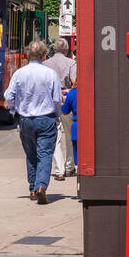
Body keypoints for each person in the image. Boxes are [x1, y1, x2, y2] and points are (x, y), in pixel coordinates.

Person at [4, 39, 61, 204]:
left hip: (26, 119)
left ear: (28, 55)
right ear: (44, 55)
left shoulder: (20, 73)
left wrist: (14, 109)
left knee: (31, 155)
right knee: (45, 154)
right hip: (46, 118)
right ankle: (41, 186)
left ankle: (32, 189)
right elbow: (57, 99)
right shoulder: (50, 74)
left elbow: (9, 96)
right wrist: (57, 114)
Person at [43, 38, 76, 180]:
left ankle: (59, 169)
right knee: (69, 135)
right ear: (67, 50)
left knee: (54, 137)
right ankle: (69, 166)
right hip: (66, 100)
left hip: (50, 102)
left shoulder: (45, 64)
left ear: (54, 50)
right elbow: (75, 83)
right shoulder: (71, 63)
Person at [61, 83, 77, 171]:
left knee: (70, 139)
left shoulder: (73, 92)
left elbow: (65, 110)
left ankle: (69, 166)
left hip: (76, 123)